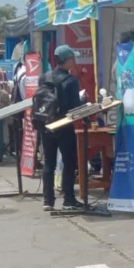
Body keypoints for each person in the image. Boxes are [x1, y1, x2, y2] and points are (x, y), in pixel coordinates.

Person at [40, 44, 83, 212]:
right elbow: (75, 107)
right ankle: (69, 199)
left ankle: (48, 201)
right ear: (69, 60)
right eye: (73, 58)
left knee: (48, 163)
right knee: (69, 162)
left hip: (46, 125)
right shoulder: (71, 81)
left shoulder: (44, 77)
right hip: (64, 126)